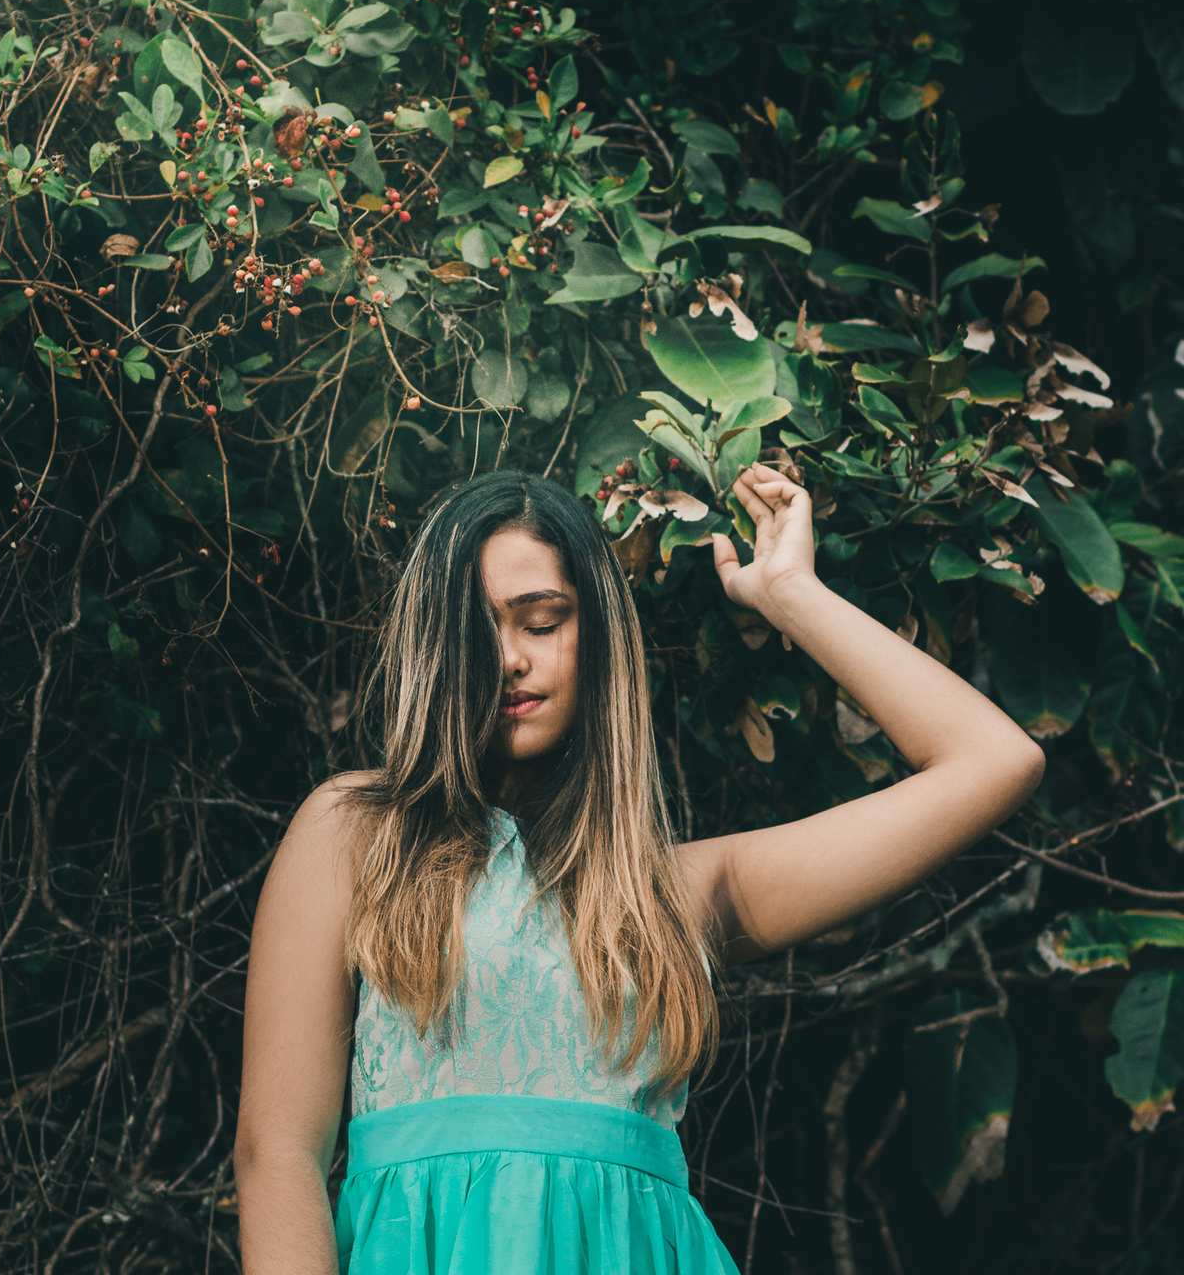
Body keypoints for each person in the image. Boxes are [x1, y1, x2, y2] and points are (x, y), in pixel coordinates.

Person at [233, 464, 1044, 1274]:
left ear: (599, 640)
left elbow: (994, 761)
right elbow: (277, 1155)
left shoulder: (677, 894)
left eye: (542, 622)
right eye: (476, 631)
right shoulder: (355, 836)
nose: (508, 658)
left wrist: (790, 591)